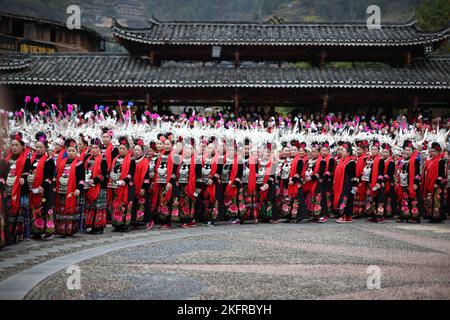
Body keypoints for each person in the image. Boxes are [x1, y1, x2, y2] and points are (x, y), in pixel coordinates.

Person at [55, 139, 85, 237]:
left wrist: (78, 189)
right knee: (62, 210)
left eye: (73, 151)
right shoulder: (62, 163)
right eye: (69, 151)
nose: (71, 153)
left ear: (77, 152)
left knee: (70, 211)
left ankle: (70, 230)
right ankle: (61, 230)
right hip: (62, 190)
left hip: (72, 191)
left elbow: (81, 179)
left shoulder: (79, 164)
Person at [5, 133, 30, 243]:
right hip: (8, 188)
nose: (14, 147)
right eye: (13, 145)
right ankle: (7, 234)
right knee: (8, 212)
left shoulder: (26, 158)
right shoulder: (7, 158)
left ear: (22, 146)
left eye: (16, 145)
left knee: (18, 213)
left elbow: (27, 173)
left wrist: (24, 178)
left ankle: (18, 234)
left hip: (19, 190)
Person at [29, 132, 56, 239]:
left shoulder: (49, 161)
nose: (38, 149)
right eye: (37, 147)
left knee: (45, 208)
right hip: (34, 187)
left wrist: (43, 186)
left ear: (45, 148)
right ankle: (37, 231)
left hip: (45, 189)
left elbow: (49, 176)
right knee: (36, 209)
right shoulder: (33, 159)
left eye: (41, 147)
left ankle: (49, 230)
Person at [108, 136, 135, 231]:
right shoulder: (115, 159)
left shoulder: (131, 160)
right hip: (116, 185)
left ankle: (125, 225)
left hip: (127, 186)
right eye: (120, 148)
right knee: (116, 205)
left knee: (126, 205)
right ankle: (117, 224)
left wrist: (125, 181)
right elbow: (112, 171)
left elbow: (131, 173)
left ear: (128, 150)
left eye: (124, 148)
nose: (121, 150)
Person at [84, 138, 108, 234]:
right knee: (91, 207)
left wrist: (94, 180)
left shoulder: (103, 160)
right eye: (92, 148)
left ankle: (99, 227)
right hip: (89, 186)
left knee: (99, 207)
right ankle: (91, 225)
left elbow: (104, 175)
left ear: (100, 149)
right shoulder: (87, 159)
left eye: (96, 148)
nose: (93, 150)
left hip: (99, 187)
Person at [397, 140, 421, 223]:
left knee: (413, 200)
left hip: (412, 183)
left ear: (413, 151)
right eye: (406, 150)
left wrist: (415, 183)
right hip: (404, 183)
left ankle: (415, 217)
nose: (407, 152)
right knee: (405, 200)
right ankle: (405, 216)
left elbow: (418, 173)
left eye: (409, 150)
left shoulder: (415, 160)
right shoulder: (403, 161)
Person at [422, 142, 447, 223]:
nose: (433, 153)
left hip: (437, 184)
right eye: (431, 151)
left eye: (435, 151)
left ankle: (437, 217)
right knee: (430, 199)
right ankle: (431, 215)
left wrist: (438, 182)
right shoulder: (429, 161)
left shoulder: (441, 161)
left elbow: (441, 173)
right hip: (429, 183)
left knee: (437, 200)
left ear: (439, 152)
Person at [333, 143, 357, 223]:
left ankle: (343, 216)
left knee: (345, 198)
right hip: (341, 183)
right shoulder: (341, 161)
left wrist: (354, 186)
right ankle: (346, 216)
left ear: (348, 153)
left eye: (343, 151)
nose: (342, 152)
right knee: (345, 198)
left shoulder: (351, 162)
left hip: (348, 183)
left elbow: (353, 175)